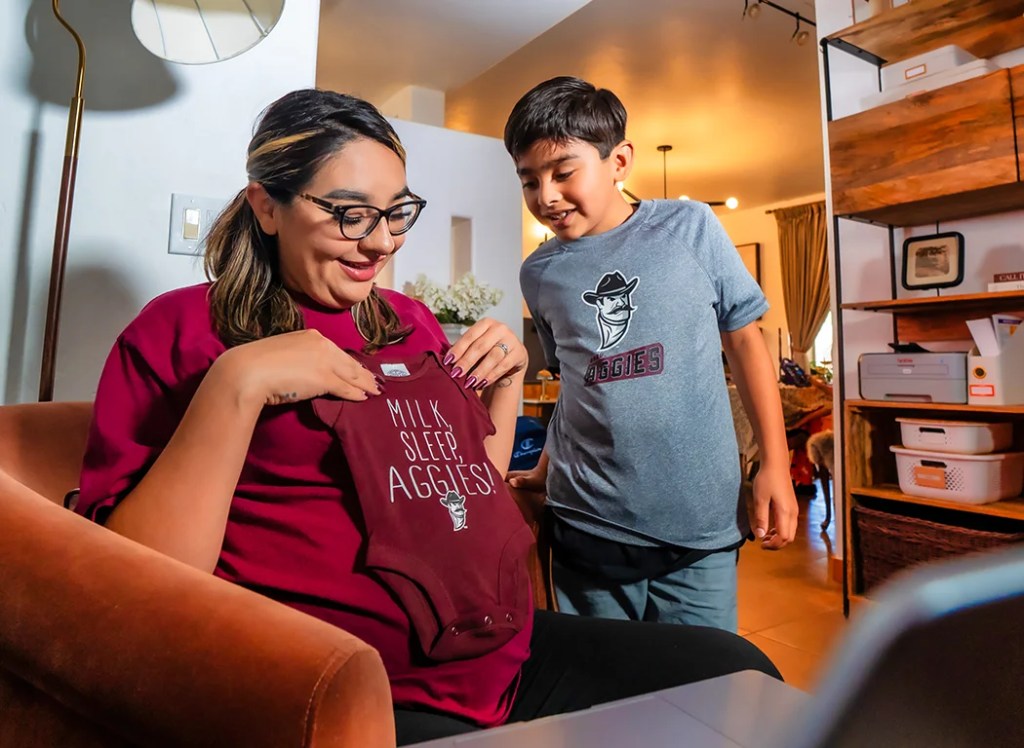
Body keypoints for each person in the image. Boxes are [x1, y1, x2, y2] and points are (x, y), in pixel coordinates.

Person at [75, 88, 781, 746]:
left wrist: (504, 388)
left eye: (396, 213)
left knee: (738, 672)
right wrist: (238, 382)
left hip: (494, 652)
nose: (381, 243)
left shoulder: (409, 324)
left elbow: (464, 489)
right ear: (266, 206)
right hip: (352, 682)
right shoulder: (179, 333)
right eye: (350, 213)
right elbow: (138, 583)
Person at [505, 76, 799, 632]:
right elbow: (575, 380)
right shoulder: (539, 274)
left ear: (619, 161)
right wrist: (545, 467)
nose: (546, 195)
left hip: (700, 522)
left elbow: (743, 340)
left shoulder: (690, 228)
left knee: (704, 690)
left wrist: (776, 465)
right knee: (601, 694)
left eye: (564, 172)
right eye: (529, 180)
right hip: (586, 519)